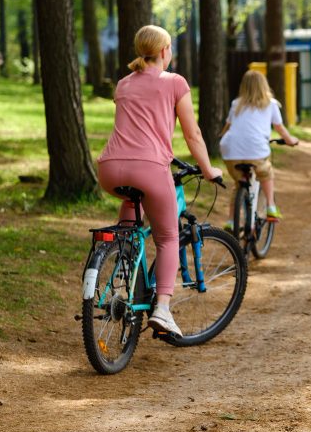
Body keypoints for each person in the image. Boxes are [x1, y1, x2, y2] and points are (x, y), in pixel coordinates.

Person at [97, 25, 224, 338]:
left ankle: (124, 269)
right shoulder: (174, 82)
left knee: (130, 228)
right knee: (168, 237)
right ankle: (163, 310)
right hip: (150, 169)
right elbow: (192, 134)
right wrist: (208, 170)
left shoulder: (124, 84)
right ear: (165, 51)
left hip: (110, 168)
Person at [219, 70, 299, 229]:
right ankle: (270, 207)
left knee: (239, 184)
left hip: (231, 149)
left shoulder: (236, 103)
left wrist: (220, 137)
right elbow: (280, 128)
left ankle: (230, 221)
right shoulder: (271, 104)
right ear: (264, 86)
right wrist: (291, 141)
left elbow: (227, 127)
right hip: (255, 149)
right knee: (265, 173)